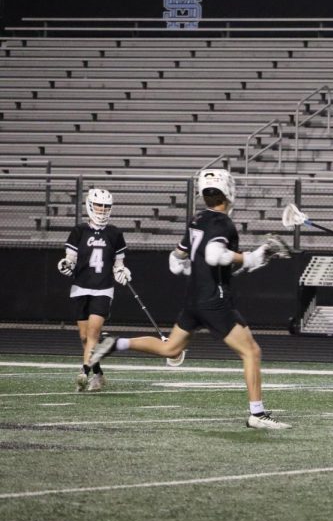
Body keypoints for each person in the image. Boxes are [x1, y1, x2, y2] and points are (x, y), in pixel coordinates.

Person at [89, 169, 292, 429]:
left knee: (171, 349)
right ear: (228, 191)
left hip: (194, 298)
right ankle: (257, 414)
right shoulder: (223, 223)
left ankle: (117, 344)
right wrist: (251, 257)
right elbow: (214, 254)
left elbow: (176, 261)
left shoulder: (197, 220)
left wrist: (255, 258)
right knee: (251, 352)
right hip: (214, 301)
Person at [57, 188, 131, 392]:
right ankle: (98, 374)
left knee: (93, 333)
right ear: (90, 205)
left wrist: (123, 272)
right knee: (84, 336)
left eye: (106, 206)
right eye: (99, 205)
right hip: (81, 287)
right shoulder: (79, 231)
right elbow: (70, 259)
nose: (102, 209)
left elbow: (119, 264)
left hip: (103, 288)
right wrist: (66, 264)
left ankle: (84, 372)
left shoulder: (115, 233)